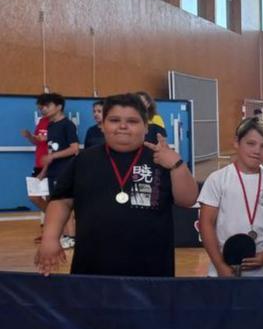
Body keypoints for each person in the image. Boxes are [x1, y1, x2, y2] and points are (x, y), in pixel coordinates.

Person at [35, 93, 199, 277]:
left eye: (132, 121)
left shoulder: (161, 159)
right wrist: (50, 238)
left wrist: (176, 164)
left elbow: (188, 199)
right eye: (114, 120)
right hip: (92, 266)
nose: (123, 126)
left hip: (151, 269)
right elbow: (61, 201)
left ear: (146, 127)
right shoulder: (84, 161)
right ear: (103, 126)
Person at [198, 117, 263, 277]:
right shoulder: (217, 179)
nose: (257, 151)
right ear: (236, 143)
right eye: (251, 143)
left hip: (261, 273)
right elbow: (206, 224)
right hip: (222, 270)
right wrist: (219, 265)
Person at [42, 92, 80, 249]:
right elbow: (50, 152)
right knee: (55, 204)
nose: (43, 109)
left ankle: (71, 237)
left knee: (65, 203)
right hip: (52, 171)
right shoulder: (50, 126)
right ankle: (64, 235)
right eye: (41, 107)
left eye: (47, 106)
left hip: (65, 171)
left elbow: (74, 149)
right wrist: (43, 171)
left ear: (59, 107)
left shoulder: (68, 125)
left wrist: (53, 157)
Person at [21, 95, 51, 240]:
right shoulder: (41, 122)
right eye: (39, 109)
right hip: (38, 165)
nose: (42, 111)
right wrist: (30, 137)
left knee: (53, 199)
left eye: (43, 107)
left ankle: (52, 231)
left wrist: (45, 138)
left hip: (51, 165)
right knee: (33, 196)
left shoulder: (60, 124)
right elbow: (37, 141)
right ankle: (55, 222)